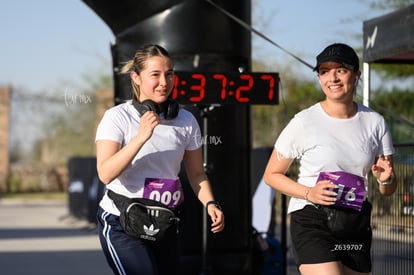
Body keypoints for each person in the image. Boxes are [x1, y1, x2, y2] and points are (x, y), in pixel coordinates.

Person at [263, 43, 397, 275]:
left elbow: (388, 189)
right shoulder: (303, 122)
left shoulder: (375, 122)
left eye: (340, 70)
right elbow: (271, 175)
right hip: (312, 217)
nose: (332, 78)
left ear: (357, 75)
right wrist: (309, 192)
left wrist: (385, 180)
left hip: (354, 220)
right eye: (324, 71)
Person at [95, 44, 225, 275]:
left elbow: (196, 174)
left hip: (163, 222)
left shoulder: (186, 120)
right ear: (136, 77)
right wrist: (141, 137)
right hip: (121, 222)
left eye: (169, 74)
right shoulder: (117, 117)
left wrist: (211, 203)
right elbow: (105, 173)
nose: (164, 82)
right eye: (155, 75)